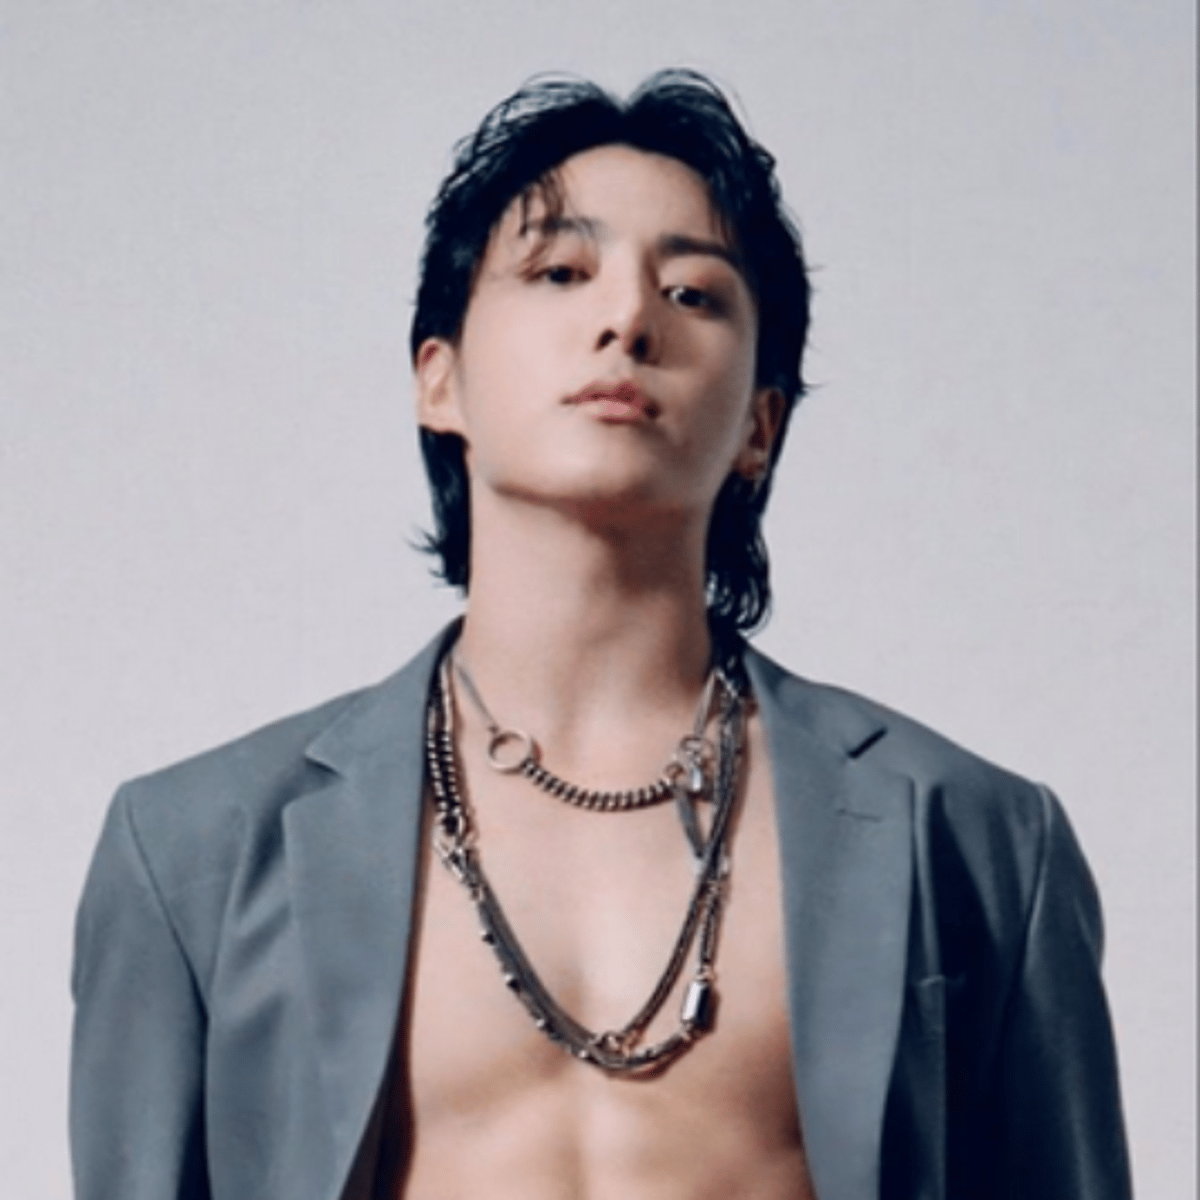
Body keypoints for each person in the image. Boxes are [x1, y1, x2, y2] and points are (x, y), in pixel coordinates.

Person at [70, 71, 1132, 1200]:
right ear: (439, 381)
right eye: (561, 273)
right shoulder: (192, 853)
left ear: (760, 426)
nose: (627, 319)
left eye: (694, 293)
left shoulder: (976, 837)